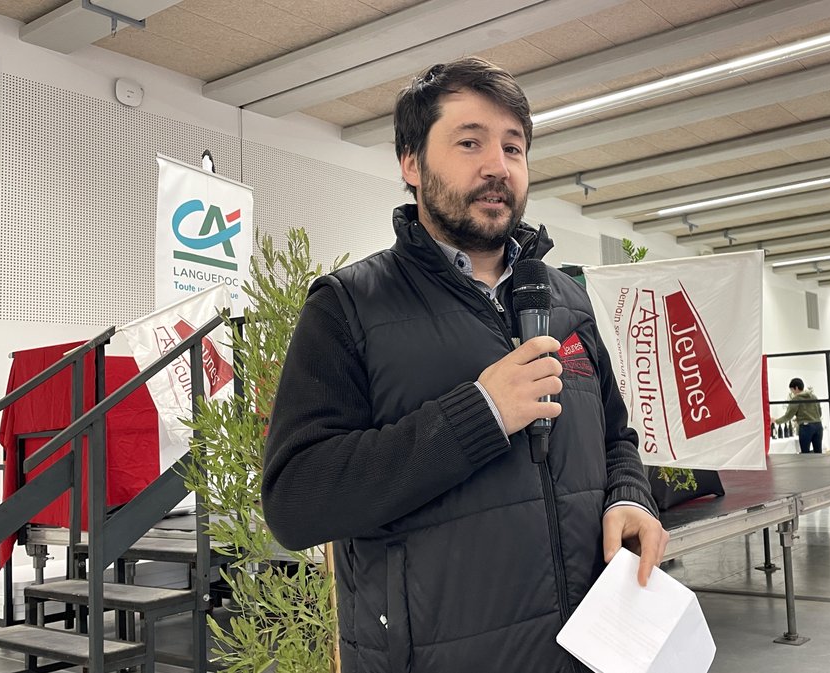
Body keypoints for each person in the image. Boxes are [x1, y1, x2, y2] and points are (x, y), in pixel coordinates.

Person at [261, 58, 666, 673]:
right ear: (411, 162)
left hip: (590, 652)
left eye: (513, 147)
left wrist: (629, 499)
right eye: (470, 142)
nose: (497, 166)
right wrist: (479, 414)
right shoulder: (349, 306)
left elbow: (615, 437)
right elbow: (296, 501)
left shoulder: (566, 299)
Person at [772, 377, 823, 453]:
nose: (792, 393)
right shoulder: (813, 396)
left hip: (806, 428)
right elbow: (820, 413)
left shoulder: (796, 399)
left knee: (805, 453)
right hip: (818, 426)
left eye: (792, 390)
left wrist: (776, 421)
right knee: (818, 453)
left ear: (796, 388)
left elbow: (788, 416)